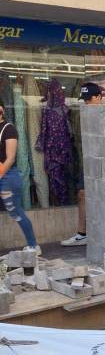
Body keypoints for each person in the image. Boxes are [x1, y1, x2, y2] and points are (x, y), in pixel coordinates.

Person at [61, 83, 102, 247]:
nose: (86, 104)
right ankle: (82, 234)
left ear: (99, 97)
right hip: (89, 161)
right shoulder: (86, 115)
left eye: (88, 100)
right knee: (82, 194)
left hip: (104, 164)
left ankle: (90, 234)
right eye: (84, 101)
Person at [0, 103, 41, 255]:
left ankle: (33, 246)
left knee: (15, 211)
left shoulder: (8, 129)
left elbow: (10, 158)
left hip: (7, 177)